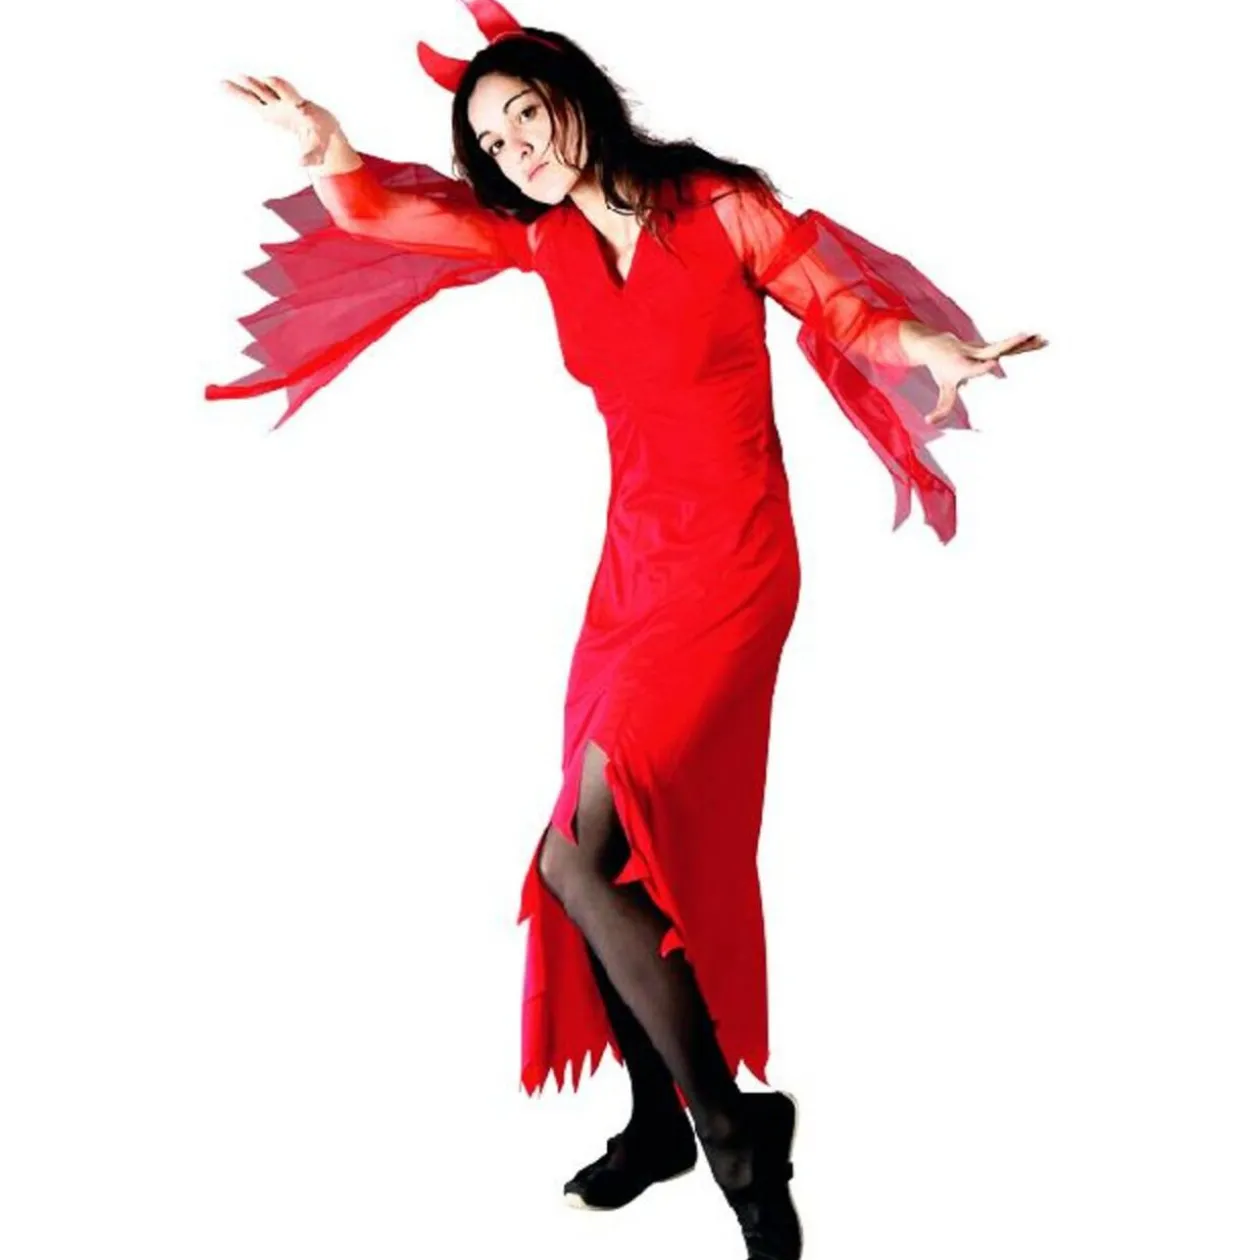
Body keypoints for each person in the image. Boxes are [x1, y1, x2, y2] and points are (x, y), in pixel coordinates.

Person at [208, 3, 1047, 1255]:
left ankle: (730, 1131)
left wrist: (933, 348)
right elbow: (387, 216)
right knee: (606, 847)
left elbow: (838, 307)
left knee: (579, 858)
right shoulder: (540, 239)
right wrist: (330, 149)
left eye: (527, 117)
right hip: (630, 576)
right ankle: (662, 1121)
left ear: (577, 98)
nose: (516, 150)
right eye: (493, 141)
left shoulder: (719, 208)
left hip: (734, 567)